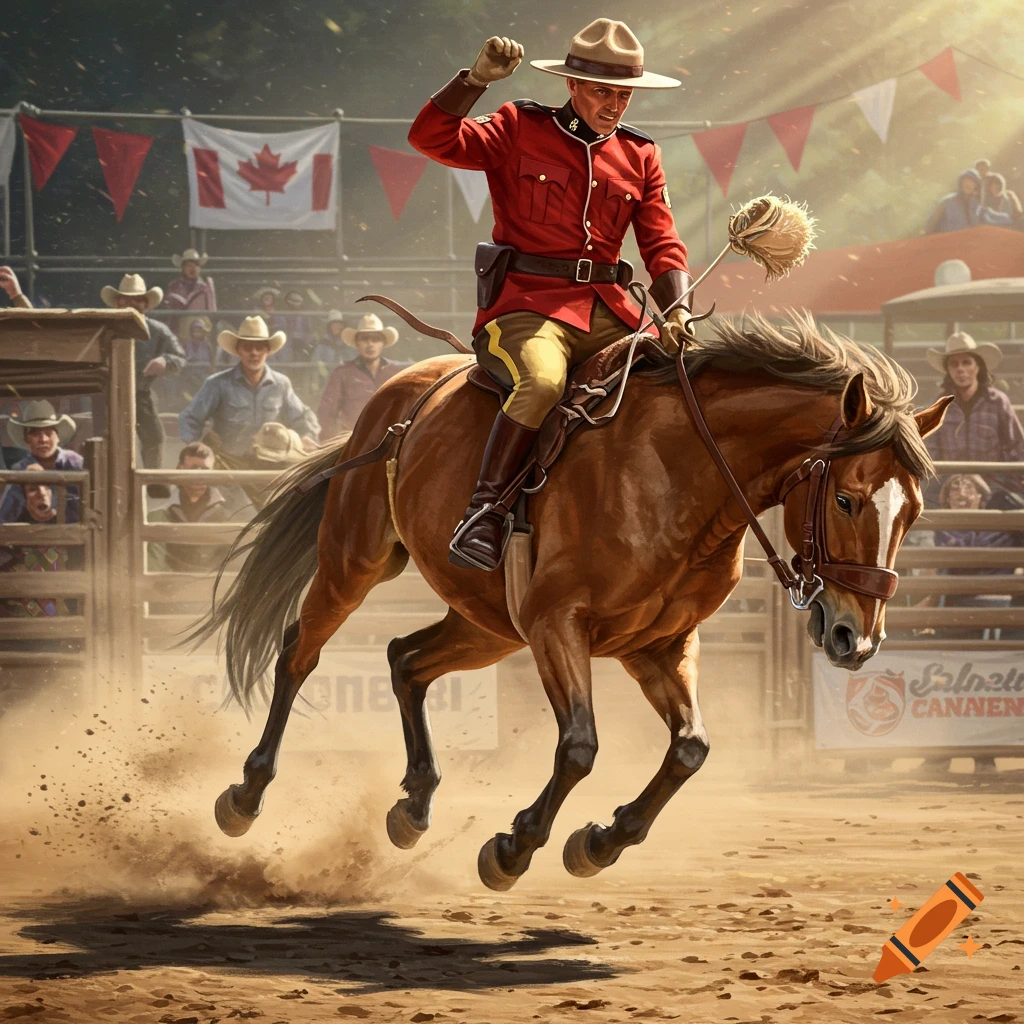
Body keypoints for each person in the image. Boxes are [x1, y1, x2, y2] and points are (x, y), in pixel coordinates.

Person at [408, 19, 692, 570]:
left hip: (611, 310)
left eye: (625, 95)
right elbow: (430, 139)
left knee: (686, 382)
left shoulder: (640, 154)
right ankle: (485, 510)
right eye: (604, 91)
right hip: (525, 305)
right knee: (541, 383)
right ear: (573, 84)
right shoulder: (519, 127)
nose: (615, 105)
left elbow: (661, 240)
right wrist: (473, 81)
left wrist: (677, 310)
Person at [178, 315, 320, 459]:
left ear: (267, 351)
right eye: (247, 347)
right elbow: (189, 418)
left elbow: (303, 416)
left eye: (259, 348)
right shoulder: (217, 384)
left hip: (272, 462)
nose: (254, 353)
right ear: (238, 350)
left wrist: (306, 436)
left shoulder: (281, 384)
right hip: (229, 463)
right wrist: (196, 446)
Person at [100, 273, 187, 472]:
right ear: (118, 302)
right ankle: (109, 479)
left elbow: (180, 358)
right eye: (126, 299)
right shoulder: (103, 328)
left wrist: (165, 360)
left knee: (154, 437)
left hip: (139, 393)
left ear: (145, 304)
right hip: (105, 394)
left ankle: (152, 480)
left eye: (137, 300)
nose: (131, 304)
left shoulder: (157, 330)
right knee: (108, 439)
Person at [924, 332, 1024, 503]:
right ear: (948, 371)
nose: (960, 369)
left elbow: (1017, 446)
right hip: (950, 486)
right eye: (954, 364)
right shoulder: (939, 405)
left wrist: (1010, 478)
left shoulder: (998, 402)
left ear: (978, 367)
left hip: (994, 485)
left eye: (966, 362)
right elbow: (930, 451)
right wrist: (950, 480)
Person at [0, 464, 81, 620]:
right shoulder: (13, 525)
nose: (41, 493)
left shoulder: (68, 520)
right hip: (26, 611)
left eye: (46, 487)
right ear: (23, 496)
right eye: (33, 489)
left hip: (65, 607)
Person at [146, 442, 230, 574]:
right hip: (169, 583)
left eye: (205, 470)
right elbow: (154, 565)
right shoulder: (160, 514)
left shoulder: (226, 515)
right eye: (194, 468)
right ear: (180, 469)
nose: (200, 476)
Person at [316, 313, 405, 439]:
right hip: (354, 441)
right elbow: (326, 413)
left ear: (383, 343)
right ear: (357, 343)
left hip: (391, 440)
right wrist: (329, 442)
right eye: (364, 339)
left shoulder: (397, 372)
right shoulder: (342, 373)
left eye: (376, 339)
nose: (370, 344)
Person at [0, 401, 82, 524]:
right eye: (35, 434)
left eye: (49, 433)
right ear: (26, 439)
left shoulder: (75, 462)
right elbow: (4, 518)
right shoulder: (20, 469)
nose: (43, 439)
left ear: (58, 436)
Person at [164, 248, 216, 339]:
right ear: (183, 268)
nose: (193, 269)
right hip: (179, 327)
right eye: (188, 266)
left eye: (196, 265)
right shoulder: (174, 286)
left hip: (200, 329)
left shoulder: (205, 287)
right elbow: (168, 310)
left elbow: (212, 311)